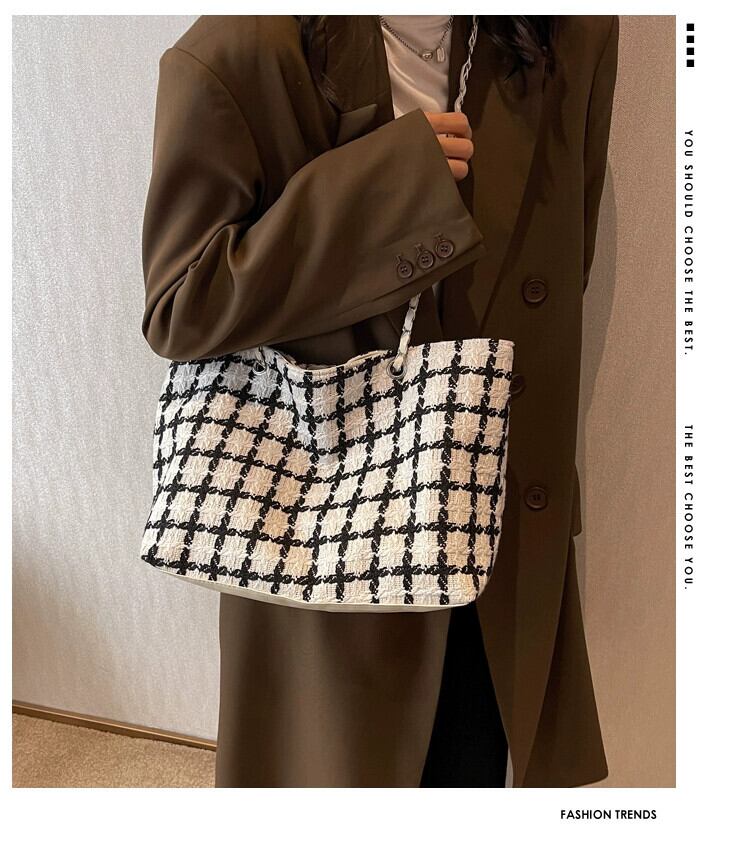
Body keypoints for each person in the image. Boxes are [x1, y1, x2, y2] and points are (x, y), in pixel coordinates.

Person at [141, 14, 619, 787]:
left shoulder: (565, 34)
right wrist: (387, 190)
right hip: (321, 530)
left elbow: (566, 276)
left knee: (466, 775)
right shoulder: (239, 52)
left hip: (486, 520)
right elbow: (181, 307)